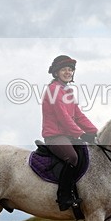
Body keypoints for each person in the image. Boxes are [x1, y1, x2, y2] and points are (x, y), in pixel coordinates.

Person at [42, 55, 98, 211]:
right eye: (64, 69)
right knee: (72, 157)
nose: (68, 72)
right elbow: (63, 117)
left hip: (69, 135)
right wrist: (81, 134)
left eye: (70, 70)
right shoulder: (53, 90)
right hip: (54, 136)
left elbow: (78, 115)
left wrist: (95, 131)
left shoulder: (68, 91)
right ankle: (64, 197)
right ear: (56, 72)